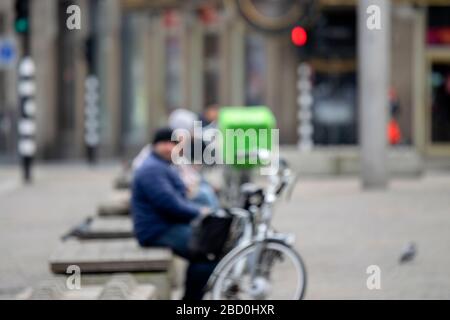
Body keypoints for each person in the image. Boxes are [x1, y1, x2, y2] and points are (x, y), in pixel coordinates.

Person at [131, 128, 217, 300]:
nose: (169, 147)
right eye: (164, 143)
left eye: (173, 144)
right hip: (157, 230)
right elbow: (169, 204)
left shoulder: (162, 165)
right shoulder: (152, 170)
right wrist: (200, 212)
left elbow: (178, 199)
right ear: (154, 146)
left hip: (167, 224)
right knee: (207, 253)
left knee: (207, 250)